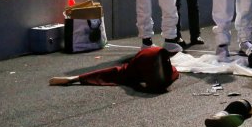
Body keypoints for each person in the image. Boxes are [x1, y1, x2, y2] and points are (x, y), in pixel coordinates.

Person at [49, 46, 179, 93]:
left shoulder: (136, 67)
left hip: (148, 60)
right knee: (120, 73)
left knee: (120, 72)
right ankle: (77, 78)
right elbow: (173, 74)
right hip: (149, 61)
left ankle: (77, 78)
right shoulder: (166, 70)